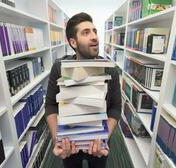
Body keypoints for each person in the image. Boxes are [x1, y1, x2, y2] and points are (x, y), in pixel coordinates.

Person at [45, 12, 122, 168]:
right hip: (69, 141)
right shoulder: (59, 68)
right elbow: (51, 105)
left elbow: (115, 107)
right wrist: (57, 140)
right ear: (73, 42)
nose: (94, 36)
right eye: (86, 33)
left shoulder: (109, 69)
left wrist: (104, 137)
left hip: (98, 142)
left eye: (94, 31)